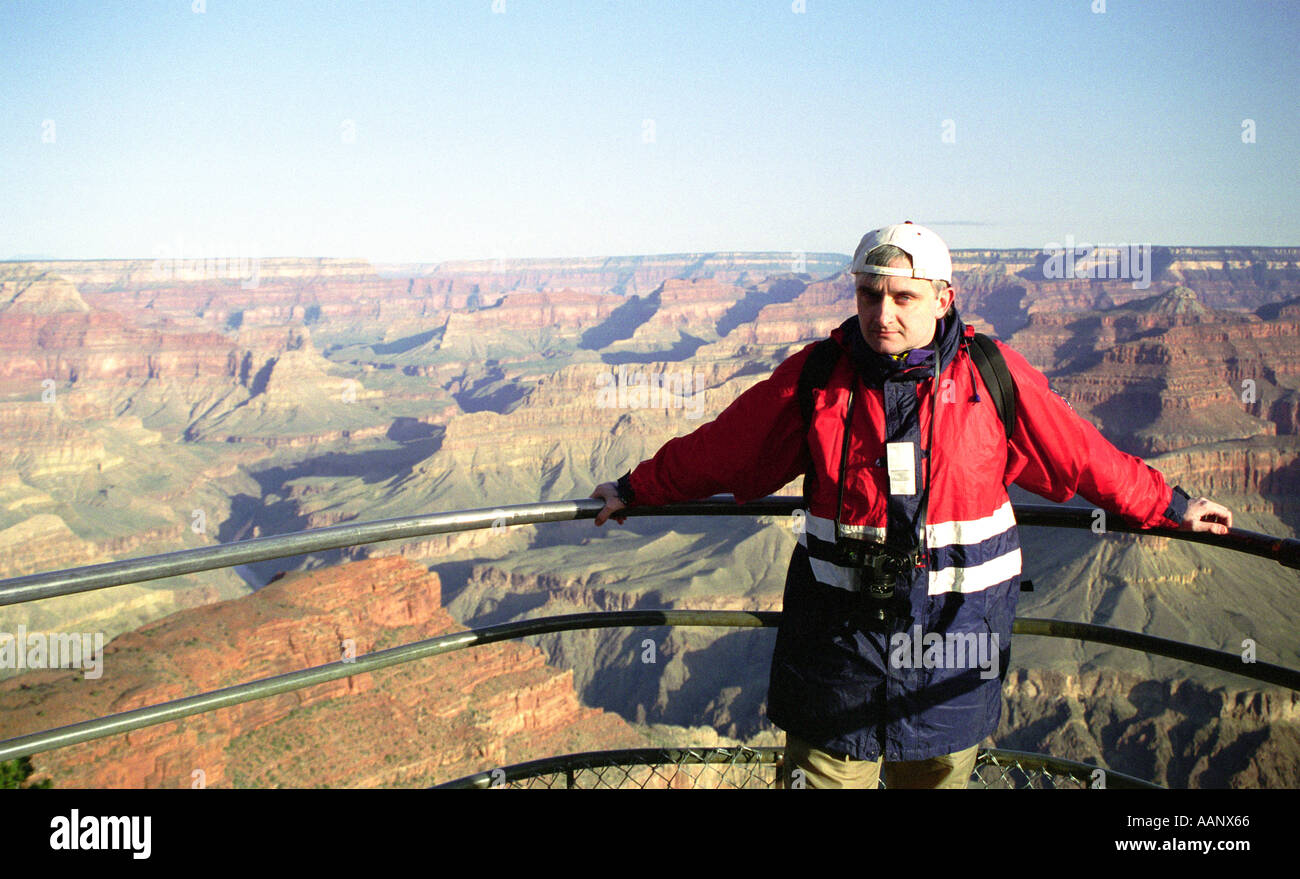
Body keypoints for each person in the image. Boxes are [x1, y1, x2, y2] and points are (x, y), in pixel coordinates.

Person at [590, 221, 1233, 789]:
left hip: (953, 643)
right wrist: (637, 488)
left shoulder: (991, 375)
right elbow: (726, 448)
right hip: (836, 649)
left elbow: (1081, 455)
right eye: (870, 295)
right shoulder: (819, 375)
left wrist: (1170, 506)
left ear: (943, 298)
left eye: (904, 297)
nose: (883, 314)